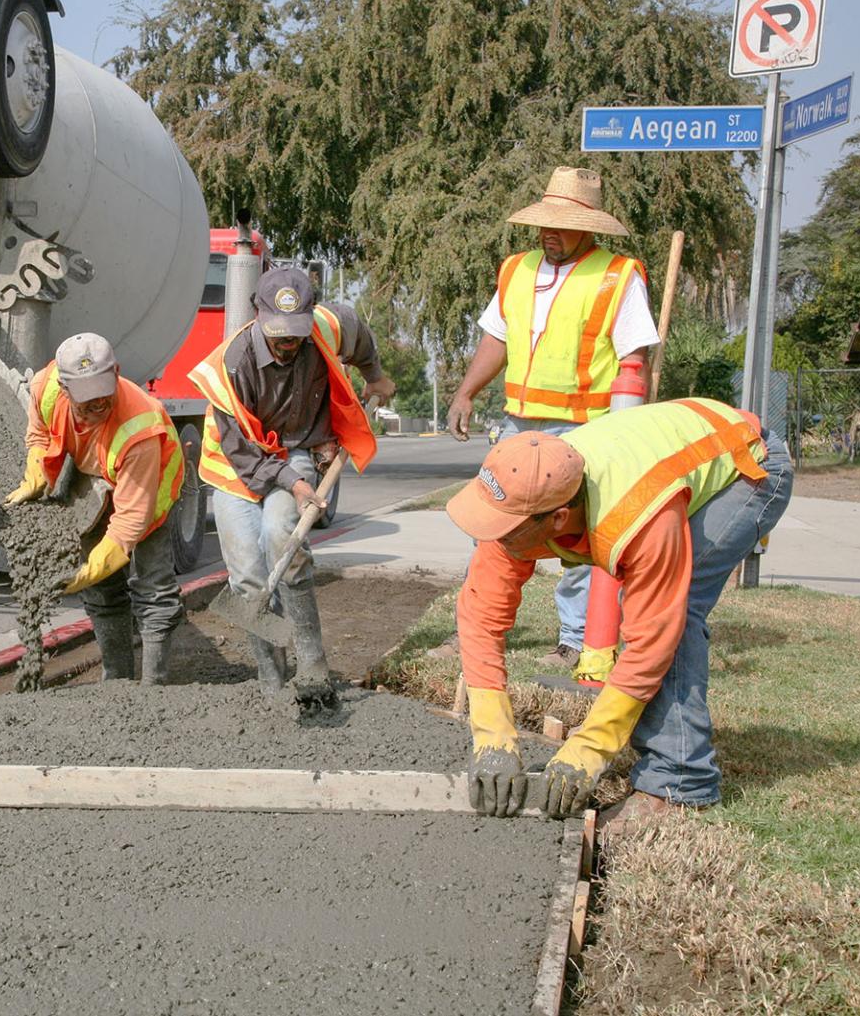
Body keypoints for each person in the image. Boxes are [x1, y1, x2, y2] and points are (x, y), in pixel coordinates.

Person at [446, 398, 793, 822]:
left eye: (503, 528)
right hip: (674, 450)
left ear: (557, 519)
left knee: (676, 615)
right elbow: (481, 614)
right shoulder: (524, 497)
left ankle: (680, 786)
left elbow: (652, 642)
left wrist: (587, 751)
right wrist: (492, 737)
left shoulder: (641, 517)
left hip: (746, 465)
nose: (493, 537)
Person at [438, 166, 659, 670]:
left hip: (588, 429)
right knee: (495, 528)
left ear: (590, 225)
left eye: (560, 224)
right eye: (544, 223)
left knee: (578, 536)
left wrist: (626, 435)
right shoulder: (516, 270)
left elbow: (634, 360)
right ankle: (478, 630)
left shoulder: (617, 275)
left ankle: (576, 640)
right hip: (520, 427)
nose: (548, 233)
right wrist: (466, 392)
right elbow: (496, 338)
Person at [189, 266, 395, 699]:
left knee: (282, 535)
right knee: (247, 577)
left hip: (295, 450)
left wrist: (374, 374)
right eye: (278, 334)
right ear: (257, 314)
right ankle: (273, 681)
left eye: (295, 334)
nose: (287, 344)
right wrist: (296, 484)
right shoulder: (232, 364)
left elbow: (357, 332)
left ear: (310, 317)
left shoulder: (325, 328)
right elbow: (242, 453)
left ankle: (313, 666)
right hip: (235, 464)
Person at [6, 333, 187, 684]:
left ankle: (155, 688)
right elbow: (40, 435)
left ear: (116, 372)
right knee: (102, 592)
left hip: (149, 487)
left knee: (153, 588)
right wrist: (36, 473)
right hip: (96, 479)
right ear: (64, 387)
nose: (95, 409)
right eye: (85, 403)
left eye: (103, 398)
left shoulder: (140, 426)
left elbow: (130, 524)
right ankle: (116, 682)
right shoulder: (44, 388)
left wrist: (86, 572)